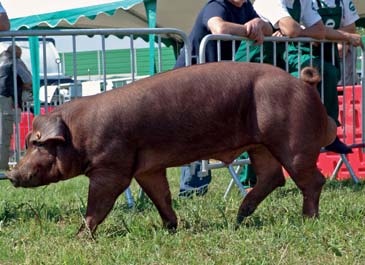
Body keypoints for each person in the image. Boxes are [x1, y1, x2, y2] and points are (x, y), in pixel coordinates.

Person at [174, 0, 273, 197]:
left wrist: (259, 24)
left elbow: (269, 29)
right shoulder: (217, 5)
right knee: (193, 134)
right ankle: (191, 190)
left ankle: (197, 187)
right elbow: (218, 26)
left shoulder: (245, 7)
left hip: (212, 82)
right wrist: (247, 28)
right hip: (188, 82)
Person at [0, 45, 32, 170]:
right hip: (7, 99)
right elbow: (28, 79)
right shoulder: (14, 60)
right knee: (5, 134)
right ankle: (2, 168)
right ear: (18, 54)